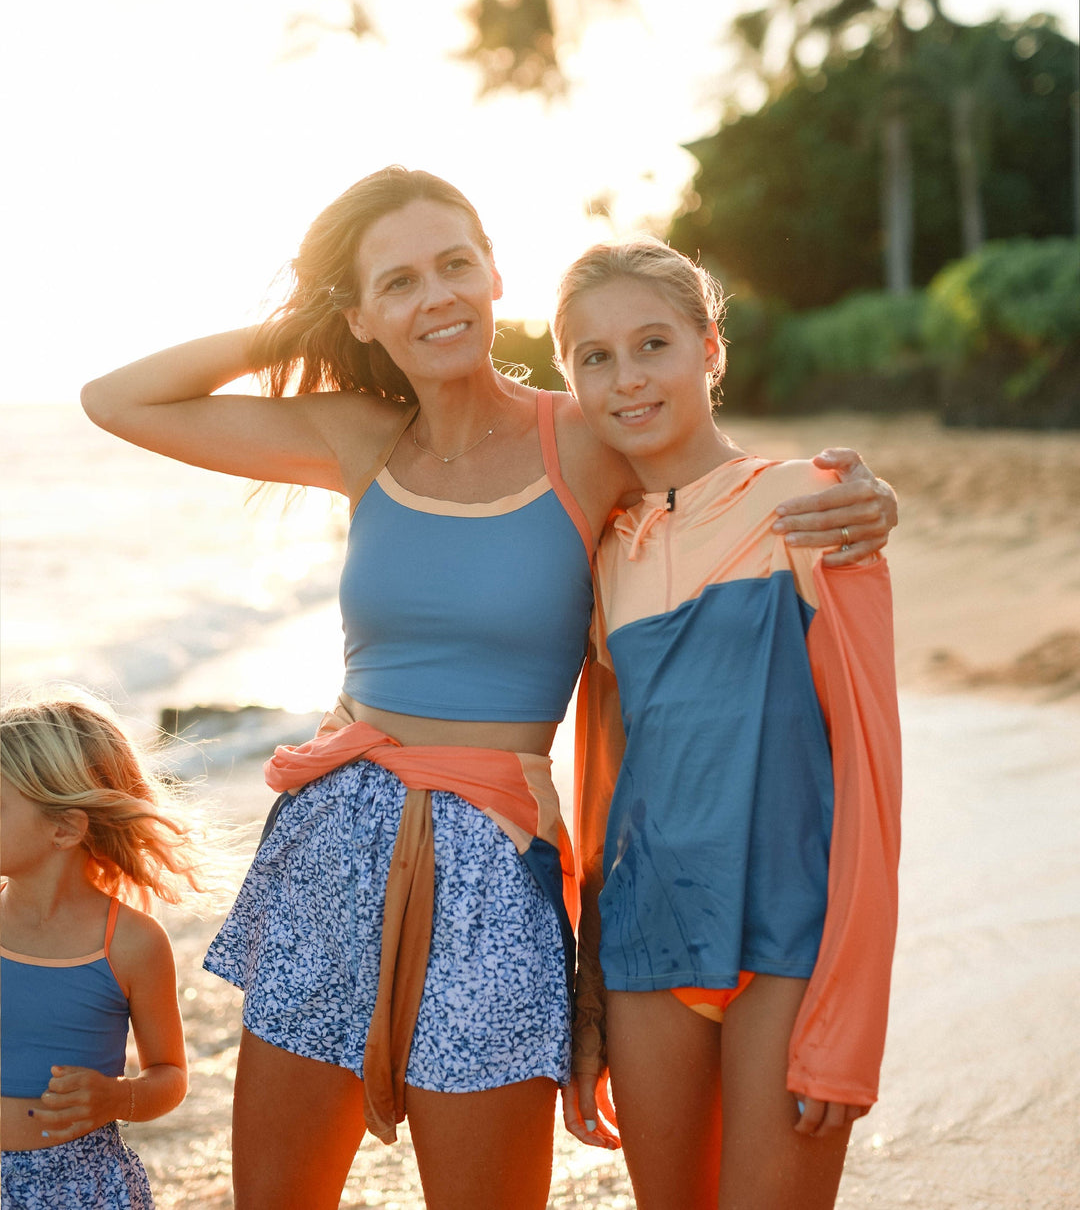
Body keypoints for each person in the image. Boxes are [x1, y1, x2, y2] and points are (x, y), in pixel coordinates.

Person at [80, 166, 898, 1210]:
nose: (439, 298)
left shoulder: (586, 433)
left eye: (456, 265)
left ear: (495, 273)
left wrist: (861, 499)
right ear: (364, 314)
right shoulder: (361, 436)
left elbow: (710, 481)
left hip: (493, 860)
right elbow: (117, 400)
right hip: (331, 844)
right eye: (402, 282)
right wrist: (304, 331)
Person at [553, 241, 902, 1210]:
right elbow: (602, 791)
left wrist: (852, 1014)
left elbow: (873, 768)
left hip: (787, 937)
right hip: (646, 940)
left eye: (653, 344)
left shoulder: (813, 505)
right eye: (595, 357)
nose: (627, 379)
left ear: (710, 349)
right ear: (570, 379)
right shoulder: (602, 554)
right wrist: (587, 1005)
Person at [0, 691, 207, 1209]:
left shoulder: (132, 943)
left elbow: (170, 1076)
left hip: (82, 1187)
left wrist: (119, 1097)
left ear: (64, 827)